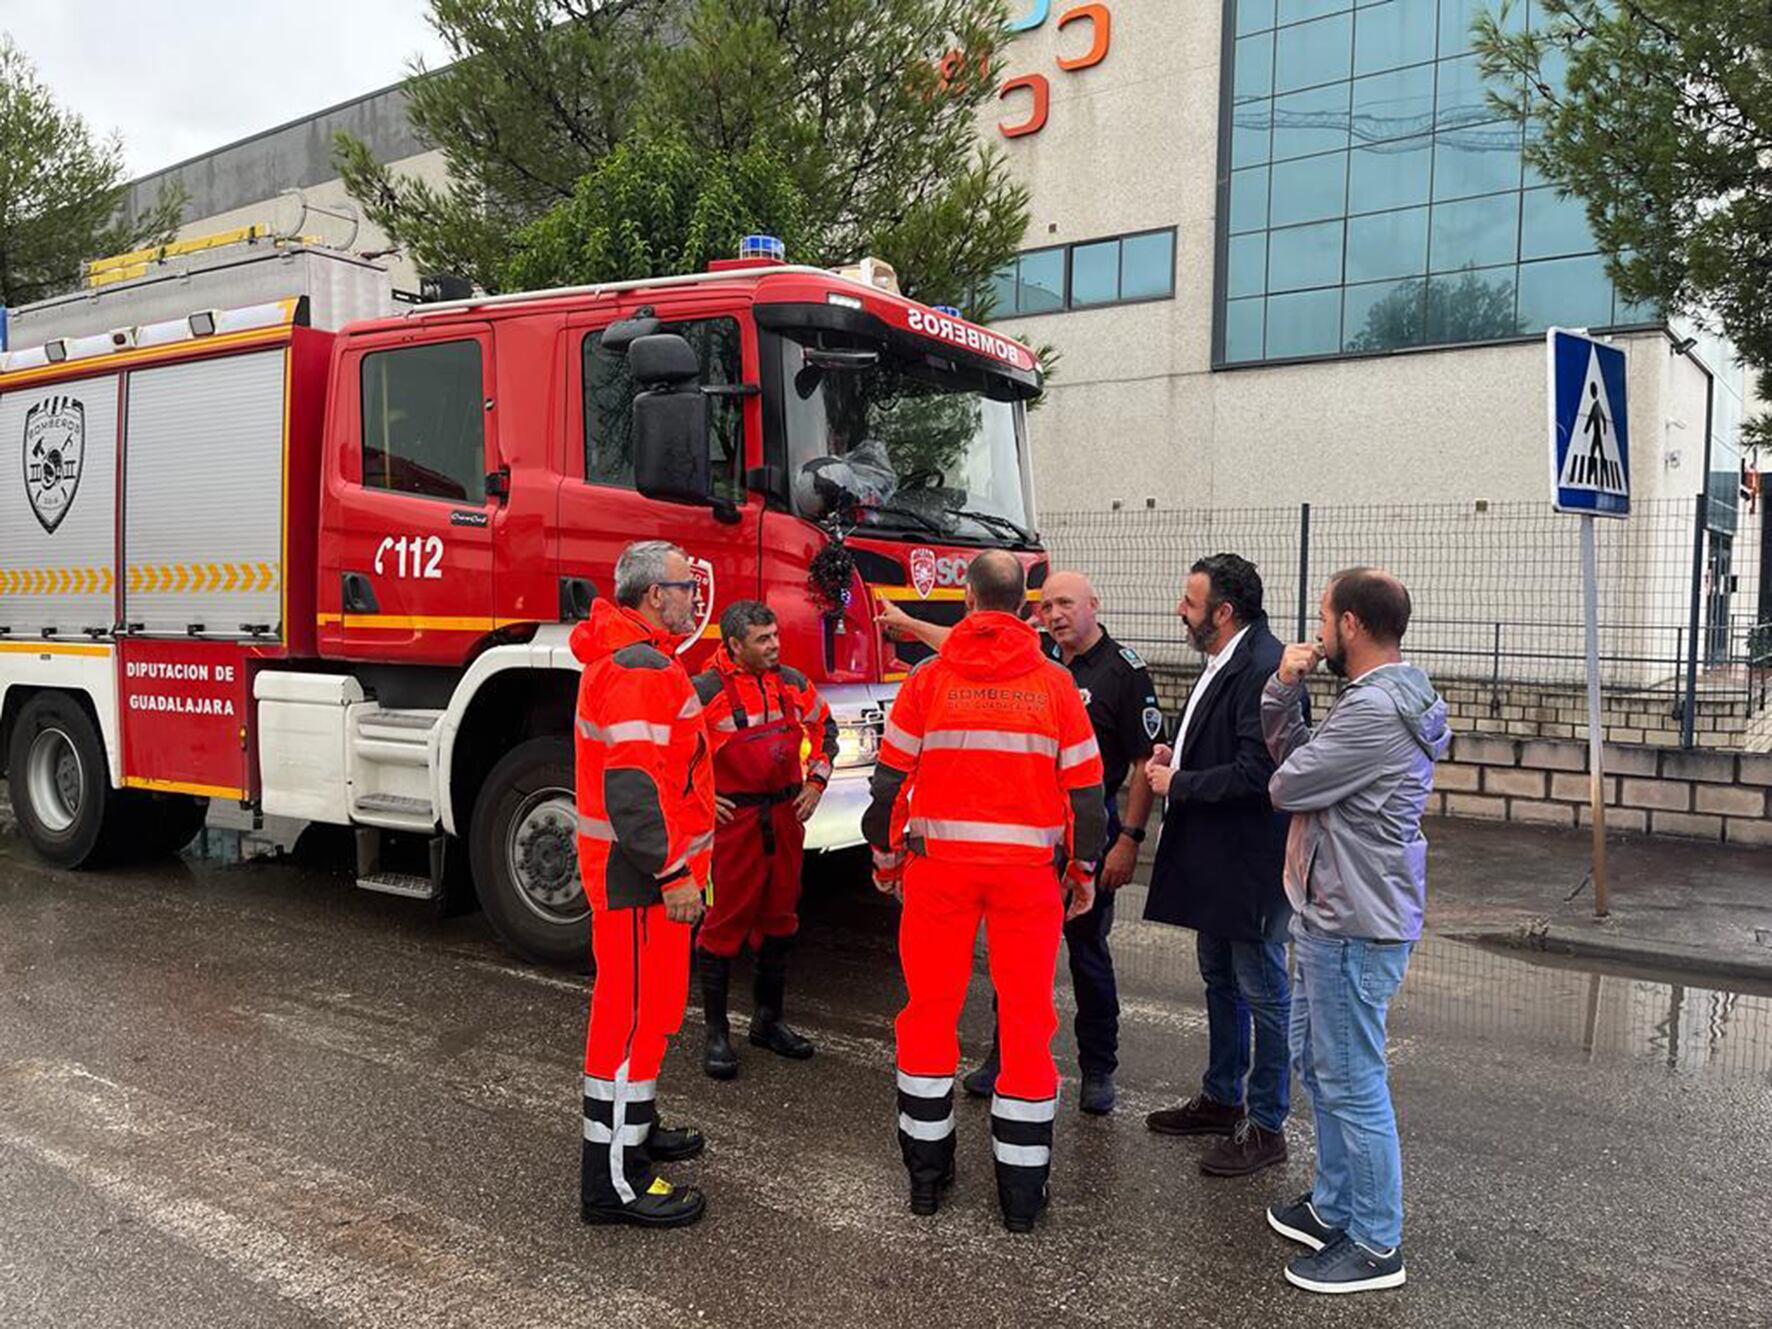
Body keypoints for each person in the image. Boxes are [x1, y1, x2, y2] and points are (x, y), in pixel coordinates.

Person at [862, 550, 1106, 1233]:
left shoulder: (928, 679)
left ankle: (927, 1182)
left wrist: (886, 861)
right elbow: (1086, 794)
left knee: (928, 1016)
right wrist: (1082, 871)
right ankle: (1022, 1199)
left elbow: (888, 786)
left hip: (937, 873)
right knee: (1027, 1025)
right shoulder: (1057, 685)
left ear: (967, 600)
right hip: (1027, 877)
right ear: (1024, 601)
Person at [1260, 568, 1449, 1295]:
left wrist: (1283, 692)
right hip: (1334, 908)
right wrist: (1284, 692)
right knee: (1320, 1065)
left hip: (1354, 918)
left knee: (1352, 1080)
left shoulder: (1373, 712)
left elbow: (1288, 784)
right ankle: (1335, 1205)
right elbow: (1304, 765)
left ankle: (1375, 1241)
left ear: (1353, 625)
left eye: (1324, 616)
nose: (1318, 629)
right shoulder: (1375, 699)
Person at [961, 570, 1161, 1116]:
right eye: (1046, 606)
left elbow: (1146, 764)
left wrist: (1129, 841)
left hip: (1092, 828)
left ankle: (1098, 1069)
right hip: (1031, 832)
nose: (1054, 614)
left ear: (1094, 605)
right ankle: (1003, 1056)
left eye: (1065, 604)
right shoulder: (1034, 659)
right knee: (1015, 954)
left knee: (1087, 956)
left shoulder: (1124, 671)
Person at [572, 539, 717, 1229]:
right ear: (653, 595)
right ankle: (614, 1182)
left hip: (642, 877)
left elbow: (658, 769)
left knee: (650, 1012)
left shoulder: (641, 658)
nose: (694, 596)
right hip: (641, 881)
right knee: (627, 1025)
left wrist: (693, 800)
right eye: (687, 585)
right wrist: (673, 870)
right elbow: (630, 787)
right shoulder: (640, 667)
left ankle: (638, 1128)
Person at [1141, 554, 1292, 1177]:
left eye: (1190, 601)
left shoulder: (1262, 666)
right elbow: (1227, 743)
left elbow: (1259, 775)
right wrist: (1181, 751)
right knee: (1220, 979)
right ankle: (1223, 1097)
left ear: (1223, 612)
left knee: (1263, 992)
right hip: (1217, 861)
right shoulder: (1229, 657)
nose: (1181, 609)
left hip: (1248, 862)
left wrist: (1178, 781)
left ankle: (1266, 1124)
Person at [691, 600, 839, 1079]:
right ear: (735, 644)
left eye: (775, 635)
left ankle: (767, 1022)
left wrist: (816, 782)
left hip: (785, 816)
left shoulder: (792, 683)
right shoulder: (704, 691)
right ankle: (715, 1034)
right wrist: (699, 796)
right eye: (763, 639)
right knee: (724, 923)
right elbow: (672, 752)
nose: (775, 645)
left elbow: (827, 730)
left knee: (781, 917)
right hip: (735, 825)